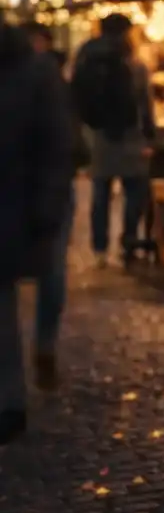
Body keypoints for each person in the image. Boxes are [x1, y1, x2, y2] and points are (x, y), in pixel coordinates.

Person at [0, 16, 75, 444]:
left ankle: (10, 401)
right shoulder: (37, 71)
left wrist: (46, 209)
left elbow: (56, 145)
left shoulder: (34, 72)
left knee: (6, 303)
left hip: (17, 207)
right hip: (21, 205)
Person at [15, 22, 74, 393]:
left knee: (52, 272)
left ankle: (44, 346)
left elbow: (64, 140)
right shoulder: (48, 79)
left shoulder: (52, 80)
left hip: (47, 189)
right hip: (31, 189)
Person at [71, 14, 154, 267]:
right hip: (129, 135)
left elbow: (75, 96)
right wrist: (150, 135)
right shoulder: (134, 63)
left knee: (101, 193)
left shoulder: (86, 58)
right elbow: (145, 104)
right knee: (134, 190)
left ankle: (99, 248)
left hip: (97, 135)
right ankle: (128, 242)